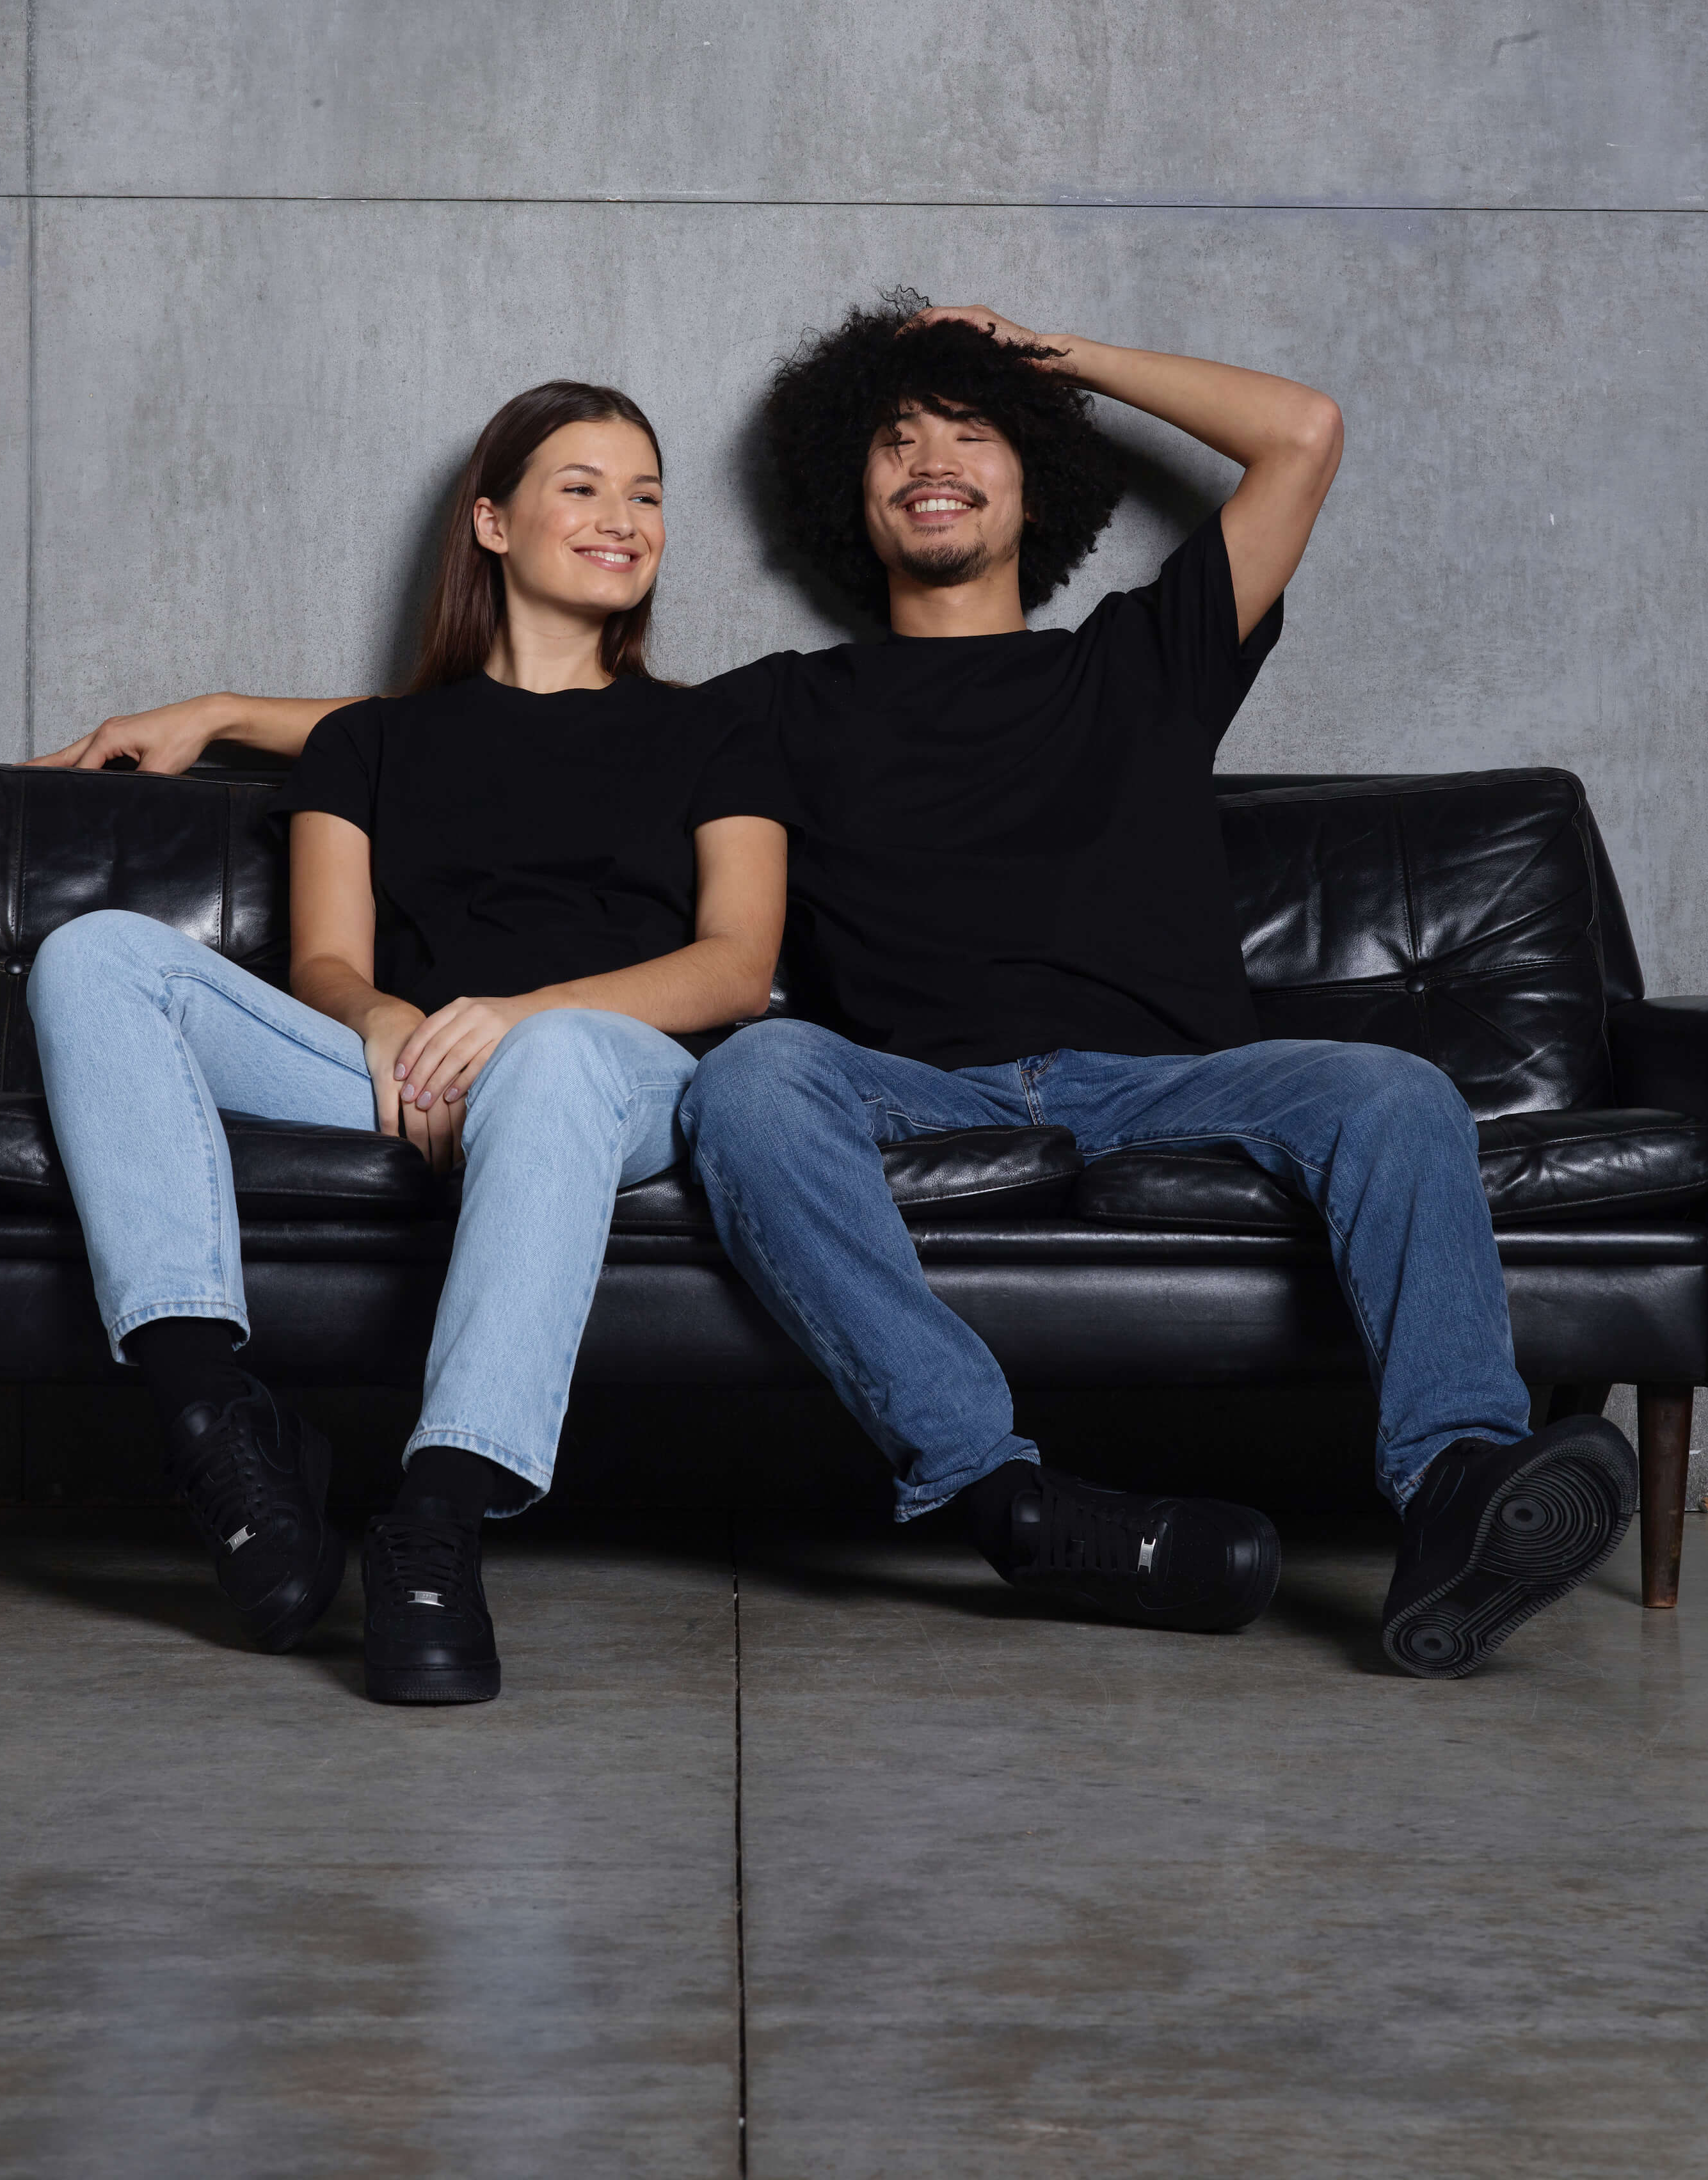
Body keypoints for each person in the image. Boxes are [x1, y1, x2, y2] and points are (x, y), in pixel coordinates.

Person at [680, 292, 1640, 1678]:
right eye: (893, 437)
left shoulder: (1144, 656)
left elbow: (1301, 434)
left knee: (1390, 1087)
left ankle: (1454, 1490)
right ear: (851, 485)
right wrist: (267, 728)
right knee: (750, 1075)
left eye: (970, 427)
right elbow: (544, 740)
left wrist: (1044, 358)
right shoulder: (775, 703)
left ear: (1034, 476)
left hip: (1166, 1081)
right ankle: (999, 1489)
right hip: (915, 1089)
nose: (929, 456)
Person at [24, 382, 786, 1706]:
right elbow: (323, 961)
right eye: (584, 486)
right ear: (491, 521)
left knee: (551, 1064)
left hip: (616, 1072)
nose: (625, 518)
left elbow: (735, 966)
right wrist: (386, 1024)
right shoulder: (367, 742)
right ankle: (217, 1420)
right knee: (94, 954)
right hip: (410, 1071)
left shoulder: (717, 730)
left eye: (648, 493)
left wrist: (522, 1018)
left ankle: (435, 1516)